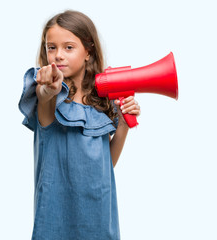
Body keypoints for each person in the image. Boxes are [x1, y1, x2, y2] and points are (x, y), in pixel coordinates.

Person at [18, 10, 140, 239]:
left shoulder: (102, 104)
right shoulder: (48, 97)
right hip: (55, 220)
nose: (58, 55)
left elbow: (105, 164)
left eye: (69, 47)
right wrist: (49, 88)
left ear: (88, 51)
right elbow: (45, 94)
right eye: (51, 47)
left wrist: (122, 125)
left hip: (98, 215)